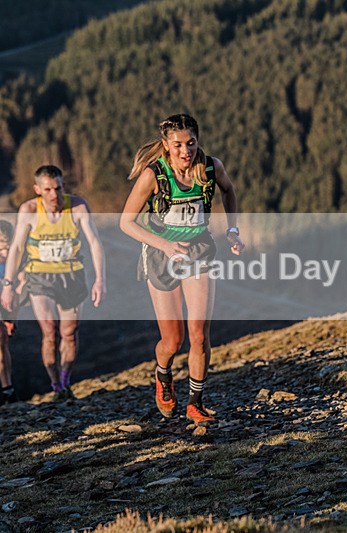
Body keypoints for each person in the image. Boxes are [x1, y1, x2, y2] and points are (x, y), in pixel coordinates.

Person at [120, 113, 243, 426]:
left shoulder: (211, 167)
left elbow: (228, 191)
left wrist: (232, 230)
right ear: (165, 144)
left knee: (199, 335)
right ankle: (163, 375)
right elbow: (126, 222)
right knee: (172, 342)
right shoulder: (153, 175)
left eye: (191, 143)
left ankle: (195, 404)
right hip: (161, 257)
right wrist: (164, 245)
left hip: (199, 252)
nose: (185, 150)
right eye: (177, 145)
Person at [1, 165, 106, 400]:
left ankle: (66, 378)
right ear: (37, 189)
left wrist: (100, 280)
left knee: (69, 332)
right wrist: (8, 285)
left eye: (58, 188)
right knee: (49, 331)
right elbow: (16, 248)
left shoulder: (77, 206)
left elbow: (94, 242)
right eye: (47, 189)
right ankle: (55, 383)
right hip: (40, 277)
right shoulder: (28, 210)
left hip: (72, 276)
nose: (53, 195)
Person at [0, 220, 18, 405]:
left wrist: (11, 318)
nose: (5, 255)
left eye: (8, 249)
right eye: (0, 250)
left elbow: (17, 292)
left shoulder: (11, 264)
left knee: (2, 341)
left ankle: (8, 389)